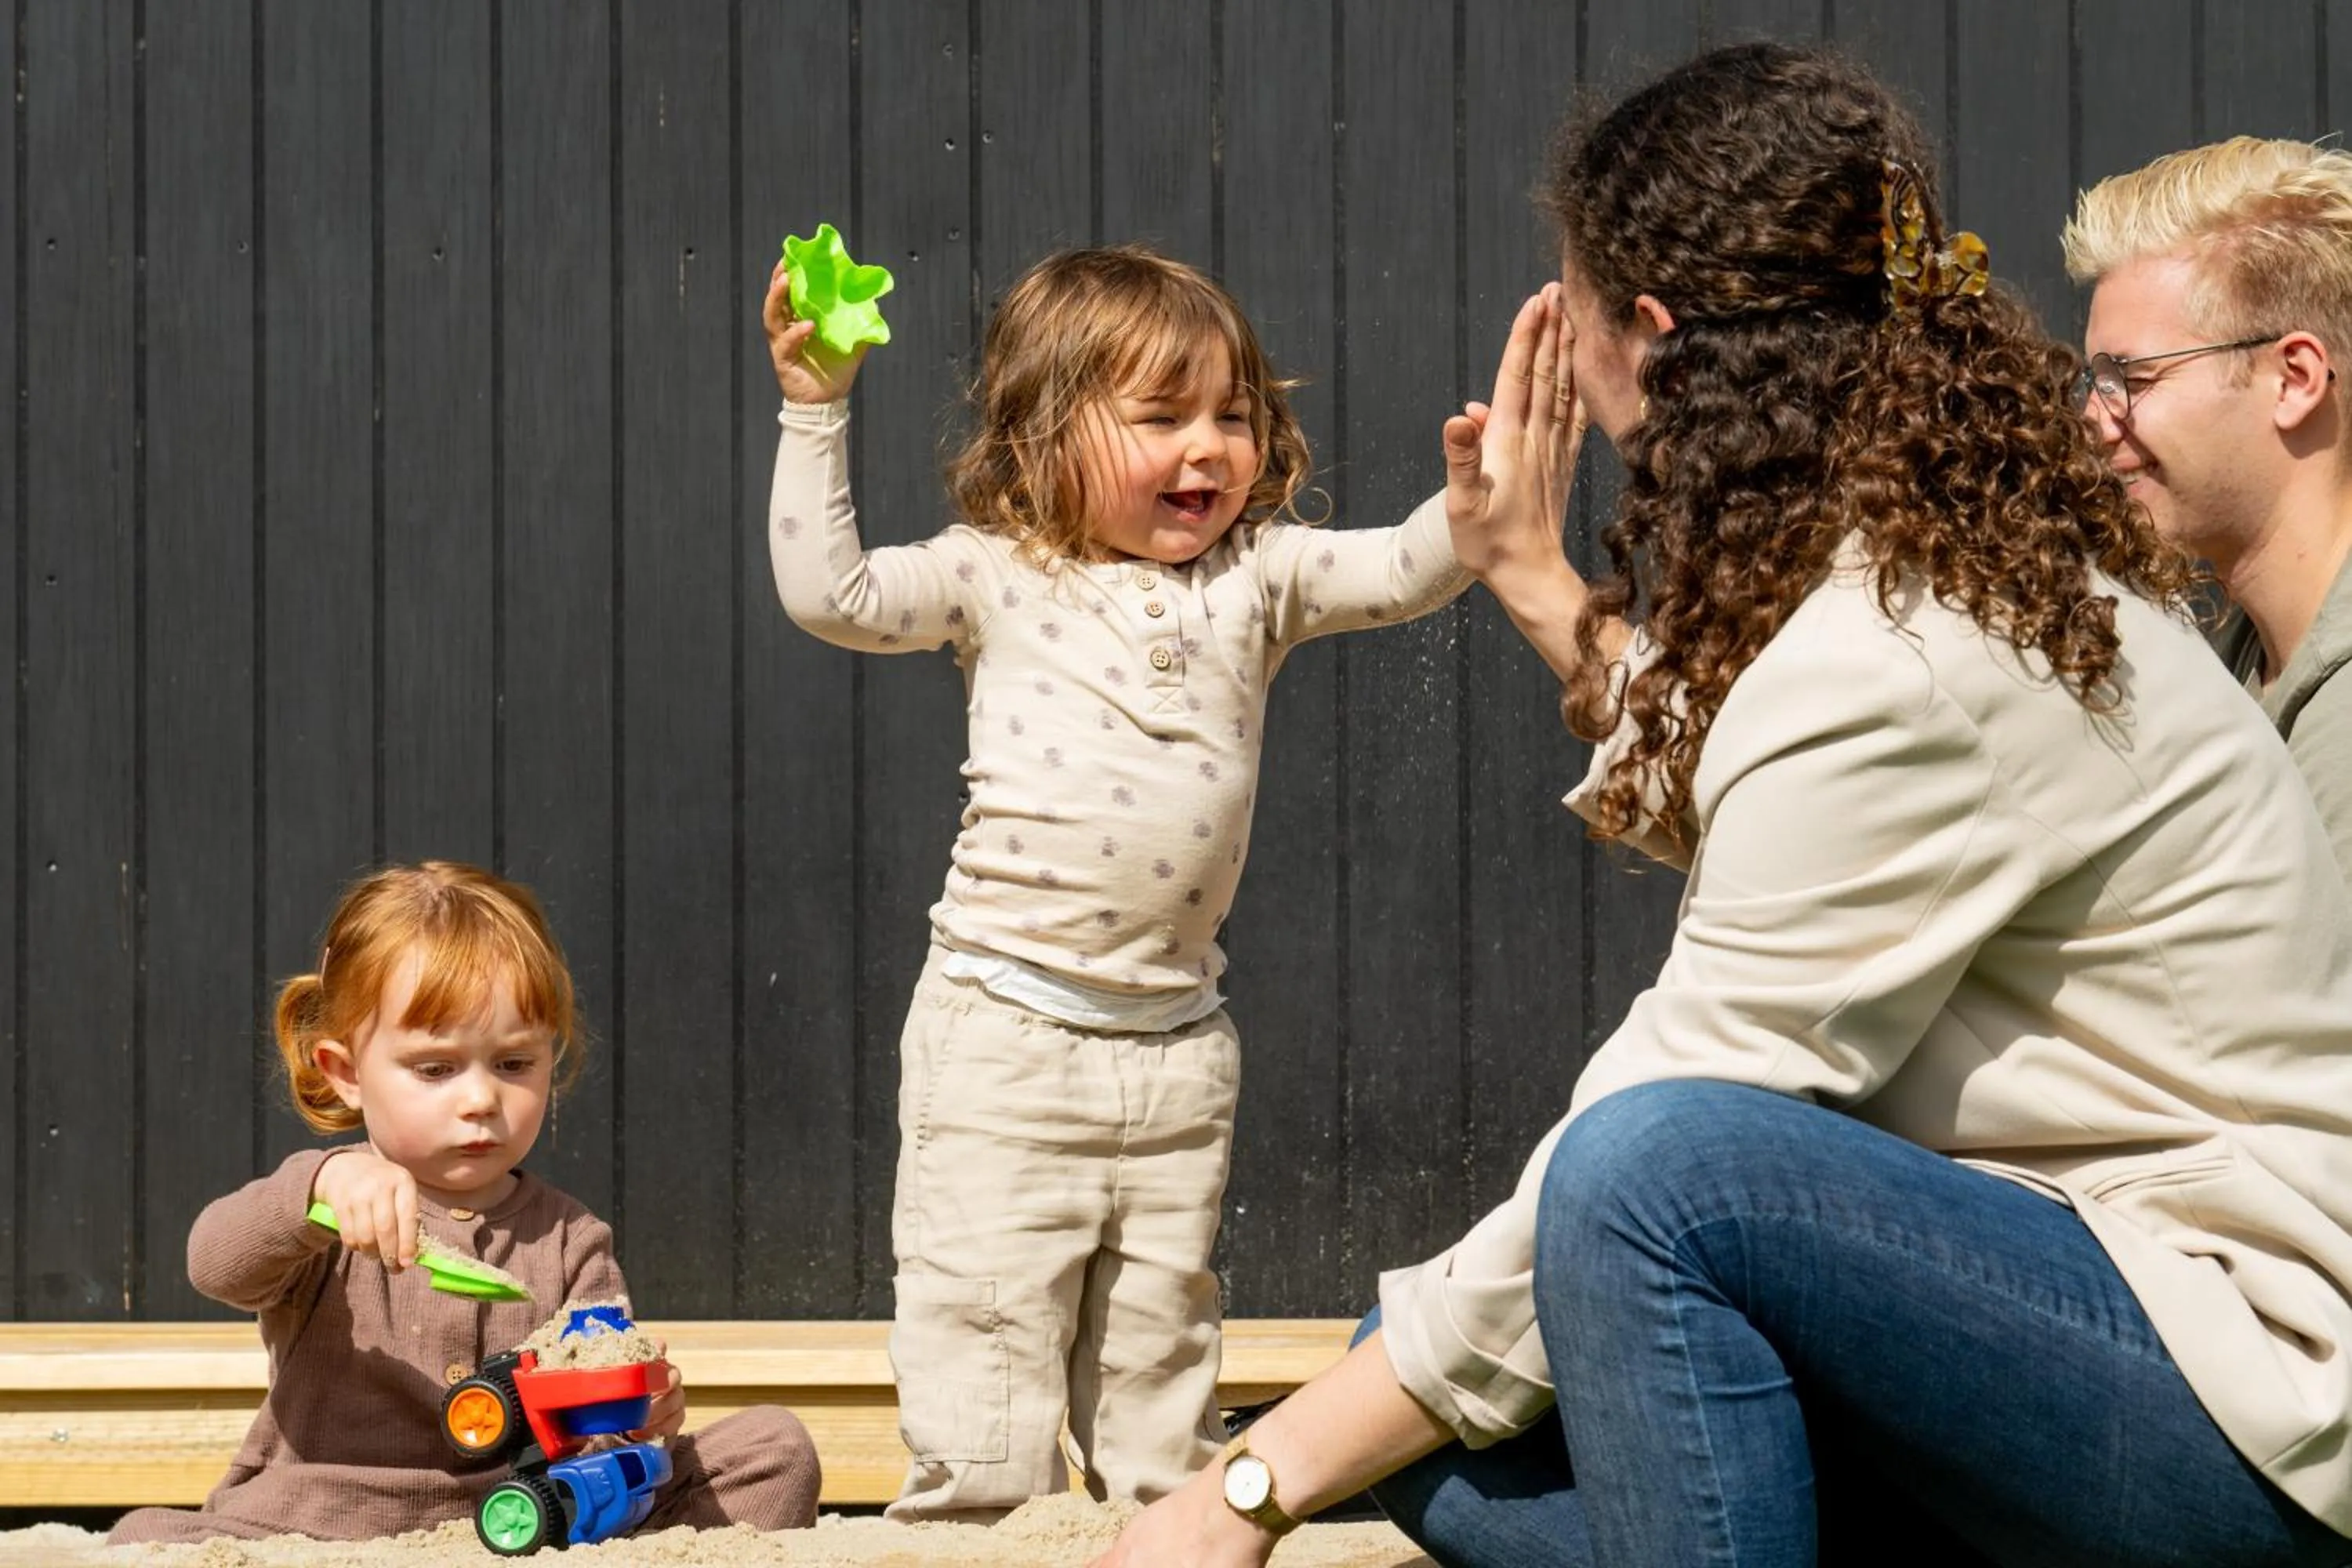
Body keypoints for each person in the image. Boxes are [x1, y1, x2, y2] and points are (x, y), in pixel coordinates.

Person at [1095, 42, 2352, 1568]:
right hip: (2095, 1319)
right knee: (1437, 1376)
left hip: (2257, 1415)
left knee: (1641, 1185)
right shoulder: (1944, 588)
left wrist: (1245, 1484)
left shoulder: (1904, 651)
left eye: (1574, 308)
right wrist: (1535, 574)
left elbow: (1667, 1116)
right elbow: (1776, 785)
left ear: (1657, 336)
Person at [760, 243, 1471, 1520]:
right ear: (1041, 436)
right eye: (1160, 418)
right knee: (985, 1376)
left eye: (1233, 416)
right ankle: (976, 1546)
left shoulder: (1259, 578)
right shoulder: (995, 572)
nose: (1208, 447)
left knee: (1162, 1379)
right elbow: (834, 594)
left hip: (1177, 1048)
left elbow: (1408, 568)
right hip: (1005, 1042)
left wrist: (1481, 502)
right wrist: (815, 409)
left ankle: (1178, 1541)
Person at [108, 861, 820, 1545]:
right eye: (435, 1069)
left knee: (773, 1448)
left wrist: (634, 1416)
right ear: (347, 1073)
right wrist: (316, 1192)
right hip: (317, 1513)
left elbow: (592, 1420)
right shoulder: (330, 1202)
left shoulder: (571, 1237)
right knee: (143, 1537)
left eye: (514, 1064)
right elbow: (216, 1264)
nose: (480, 1099)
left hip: (523, 1518)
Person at [2065, 137, 2352, 880]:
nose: (2095, 419)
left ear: (2293, 380)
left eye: (2132, 377)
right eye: (2094, 379)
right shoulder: (2240, 655)